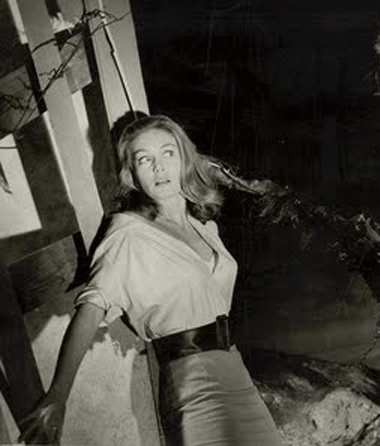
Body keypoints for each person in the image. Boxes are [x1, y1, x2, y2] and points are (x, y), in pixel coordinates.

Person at [18, 115, 283, 446]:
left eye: (168, 153)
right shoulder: (128, 233)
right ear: (132, 174)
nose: (159, 167)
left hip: (236, 372)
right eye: (144, 159)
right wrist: (58, 395)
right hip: (193, 384)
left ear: (184, 159)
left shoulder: (205, 228)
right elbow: (91, 308)